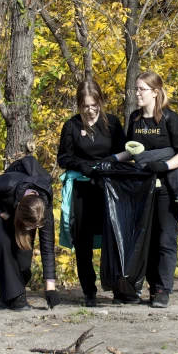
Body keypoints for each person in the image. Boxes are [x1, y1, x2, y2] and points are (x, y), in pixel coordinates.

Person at [110, 71, 178, 308]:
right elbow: (132, 150)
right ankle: (142, 288)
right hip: (142, 189)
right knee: (144, 240)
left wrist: (164, 165)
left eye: (141, 89)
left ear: (155, 92)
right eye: (135, 89)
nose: (136, 93)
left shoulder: (170, 118)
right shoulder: (135, 118)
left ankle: (162, 290)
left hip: (167, 187)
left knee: (165, 239)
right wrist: (111, 159)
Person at [57, 79, 126, 307]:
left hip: (107, 187)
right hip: (82, 188)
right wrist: (81, 165)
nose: (89, 110)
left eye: (93, 105)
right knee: (83, 241)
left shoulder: (113, 124)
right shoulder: (72, 126)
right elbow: (63, 157)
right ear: (79, 105)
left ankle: (117, 286)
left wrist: (107, 166)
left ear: (100, 102)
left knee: (112, 237)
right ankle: (89, 291)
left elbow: (124, 153)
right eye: (85, 106)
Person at [0, 155, 58, 310]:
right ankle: (17, 298)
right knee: (4, 242)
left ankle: (11, 292)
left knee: (23, 263)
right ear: (19, 213)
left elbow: (47, 246)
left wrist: (50, 287)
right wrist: (1, 213)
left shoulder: (43, 209)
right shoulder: (7, 183)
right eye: (29, 227)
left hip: (24, 211)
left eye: (34, 228)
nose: (31, 231)